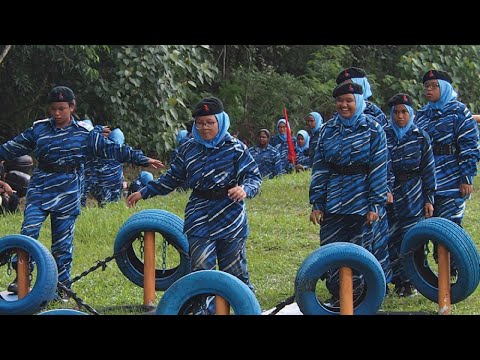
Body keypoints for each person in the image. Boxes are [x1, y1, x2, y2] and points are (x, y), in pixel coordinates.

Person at [0, 85, 163, 297]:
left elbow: (113, 149)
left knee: (62, 243)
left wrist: (142, 159)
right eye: (53, 109)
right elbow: (13, 147)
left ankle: (62, 288)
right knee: (28, 232)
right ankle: (22, 276)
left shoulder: (85, 134)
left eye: (62, 109)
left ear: (72, 107)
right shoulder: (39, 129)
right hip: (41, 188)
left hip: (68, 190)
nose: (57, 113)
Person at [127, 96, 262, 314]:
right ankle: (203, 311)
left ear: (221, 121)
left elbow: (253, 177)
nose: (205, 127)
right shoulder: (188, 148)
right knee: (201, 271)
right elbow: (172, 179)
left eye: (210, 122)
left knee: (235, 272)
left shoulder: (236, 148)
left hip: (231, 214)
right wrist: (144, 192)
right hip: (200, 215)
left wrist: (244, 189)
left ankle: (246, 309)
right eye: (200, 123)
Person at [309, 82, 391, 305]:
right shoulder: (327, 129)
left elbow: (378, 169)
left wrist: (375, 204)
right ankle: (338, 295)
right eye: (340, 101)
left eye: (349, 101)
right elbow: (320, 168)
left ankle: (360, 297)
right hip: (333, 200)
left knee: (359, 252)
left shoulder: (374, 129)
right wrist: (316, 202)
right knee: (331, 250)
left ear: (359, 102)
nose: (344, 105)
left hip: (361, 200)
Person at [414, 69, 480, 277]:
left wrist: (467, 177)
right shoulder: (423, 114)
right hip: (428, 176)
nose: (429, 90)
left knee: (451, 223)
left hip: (452, 174)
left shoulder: (459, 112)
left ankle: (454, 269)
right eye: (427, 87)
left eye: (434, 86)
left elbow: (470, 146)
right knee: (426, 224)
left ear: (445, 88)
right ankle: (425, 271)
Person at [384, 93, 436, 296]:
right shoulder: (383, 134)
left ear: (411, 113)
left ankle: (409, 281)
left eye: (404, 112)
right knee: (388, 239)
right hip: (389, 194)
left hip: (413, 193)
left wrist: (429, 198)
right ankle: (389, 279)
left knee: (412, 239)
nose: (400, 116)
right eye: (396, 112)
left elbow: (428, 169)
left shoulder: (421, 136)